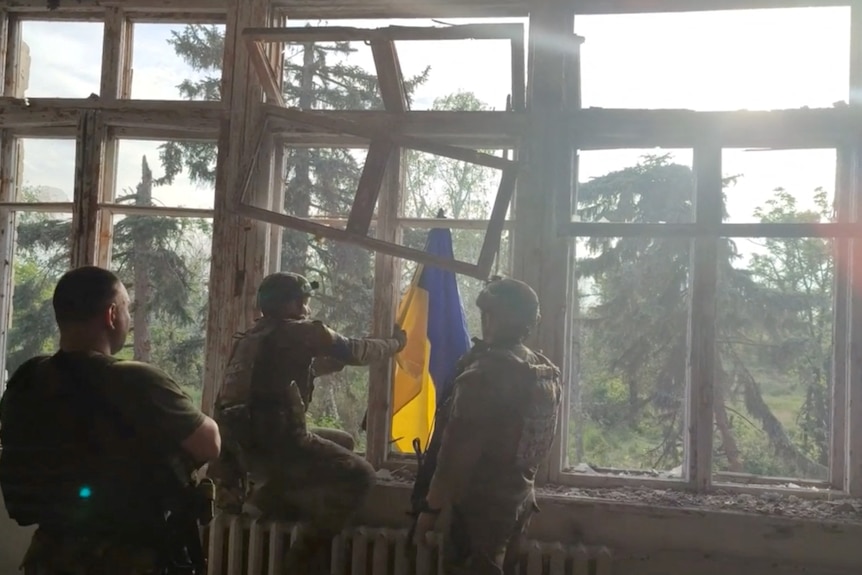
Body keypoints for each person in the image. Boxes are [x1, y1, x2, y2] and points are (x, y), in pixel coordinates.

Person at [0, 265, 221, 575]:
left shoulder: (29, 378)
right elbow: (209, 443)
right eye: (127, 309)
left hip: (49, 553)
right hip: (125, 555)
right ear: (111, 314)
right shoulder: (134, 379)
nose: (128, 319)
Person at [209, 271, 407, 572]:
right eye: (303, 302)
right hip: (281, 443)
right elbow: (355, 351)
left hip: (245, 449)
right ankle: (301, 559)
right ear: (290, 304)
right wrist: (395, 343)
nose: (307, 309)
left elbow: (281, 380)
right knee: (361, 474)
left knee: (343, 441)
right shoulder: (299, 331)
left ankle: (264, 499)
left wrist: (326, 366)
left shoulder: (250, 338)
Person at [411, 277, 562, 575]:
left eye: (487, 313)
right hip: (518, 501)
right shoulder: (542, 369)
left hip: (479, 511)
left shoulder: (484, 376)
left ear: (495, 317)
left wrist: (429, 512)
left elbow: (453, 459)